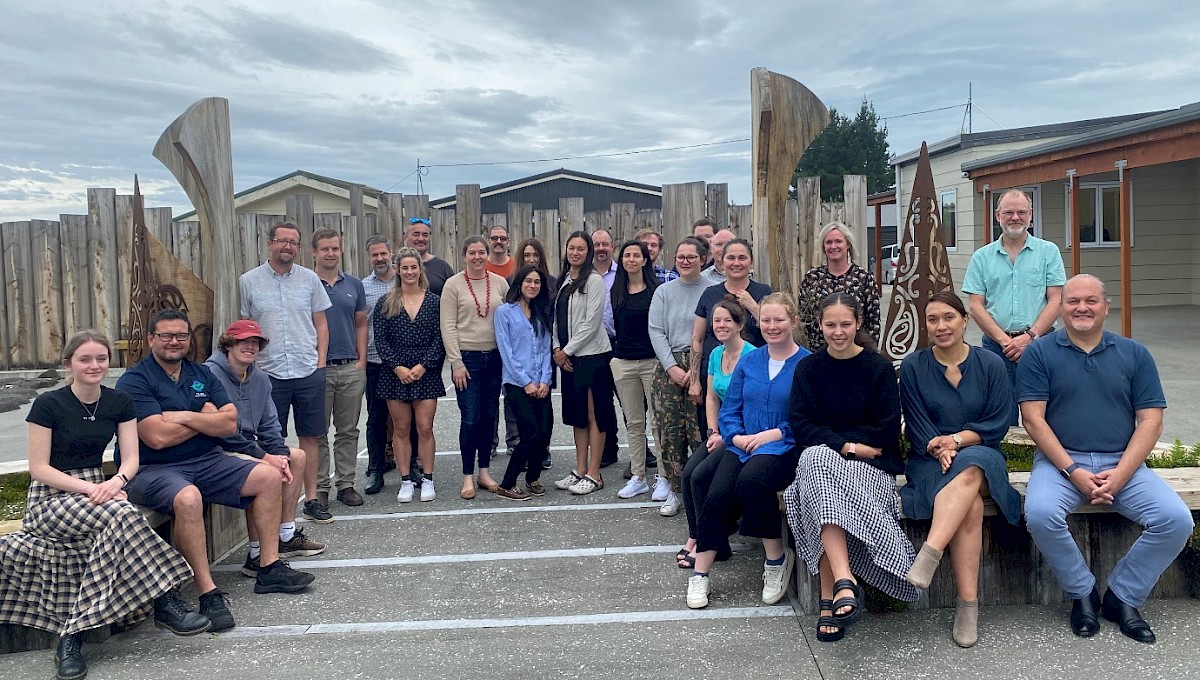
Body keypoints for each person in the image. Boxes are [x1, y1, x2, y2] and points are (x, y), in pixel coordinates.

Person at [0, 331, 210, 680]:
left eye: (101, 358)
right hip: (51, 498)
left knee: (118, 517)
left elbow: (130, 460)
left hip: (102, 492)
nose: (95, 365)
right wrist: (90, 488)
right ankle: (163, 599)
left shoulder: (119, 402)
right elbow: (39, 468)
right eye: (85, 359)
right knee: (123, 512)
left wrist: (115, 483)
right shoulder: (48, 404)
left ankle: (72, 637)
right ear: (68, 364)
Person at [1018, 274, 1192, 644]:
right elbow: (1032, 418)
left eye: (1091, 301)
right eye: (1073, 301)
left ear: (1106, 306)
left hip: (1122, 461)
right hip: (1060, 463)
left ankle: (1122, 597)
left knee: (1175, 520)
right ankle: (1083, 593)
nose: (1082, 307)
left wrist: (1122, 473)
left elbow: (1151, 420)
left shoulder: (1134, 354)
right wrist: (1073, 470)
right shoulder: (1040, 353)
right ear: (1061, 307)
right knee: (1040, 513)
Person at [116, 310, 314, 633]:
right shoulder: (134, 381)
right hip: (153, 467)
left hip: (206, 461)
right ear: (151, 339)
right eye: (166, 335)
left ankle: (268, 566)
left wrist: (180, 417)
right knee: (189, 498)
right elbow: (156, 436)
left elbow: (229, 422)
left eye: (181, 336)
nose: (174, 342)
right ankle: (207, 592)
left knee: (267, 476)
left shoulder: (199, 374)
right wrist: (202, 417)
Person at [784, 293, 917, 643]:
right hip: (839, 458)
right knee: (815, 462)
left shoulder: (878, 368)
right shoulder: (808, 369)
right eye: (831, 325)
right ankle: (844, 583)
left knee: (815, 475)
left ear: (858, 324)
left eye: (845, 324)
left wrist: (836, 441)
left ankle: (832, 596)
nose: (838, 332)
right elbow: (800, 424)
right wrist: (848, 445)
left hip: (873, 467)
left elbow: (887, 429)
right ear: (820, 326)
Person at [897, 292, 1021, 648]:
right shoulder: (914, 366)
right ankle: (968, 607)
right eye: (933, 319)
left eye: (948, 317)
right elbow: (917, 424)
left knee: (971, 466)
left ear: (965, 320)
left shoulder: (991, 365)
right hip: (928, 462)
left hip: (982, 454)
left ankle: (929, 554)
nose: (941, 326)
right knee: (973, 503)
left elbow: (998, 422)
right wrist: (938, 446)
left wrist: (955, 440)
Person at [683, 294, 811, 610]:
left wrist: (774, 433)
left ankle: (776, 560)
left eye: (779, 319)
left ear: (792, 321)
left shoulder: (807, 364)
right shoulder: (750, 361)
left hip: (784, 445)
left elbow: (811, 417)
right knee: (716, 494)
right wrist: (735, 436)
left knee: (752, 482)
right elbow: (730, 408)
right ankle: (701, 573)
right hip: (743, 444)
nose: (772, 326)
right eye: (766, 320)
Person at [205, 320, 327, 578]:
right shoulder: (210, 374)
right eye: (243, 341)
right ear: (228, 343)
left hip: (252, 445)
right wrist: (265, 457)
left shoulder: (260, 378)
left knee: (297, 456)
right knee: (262, 469)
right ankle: (256, 553)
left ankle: (286, 535)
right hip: (219, 447)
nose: (250, 346)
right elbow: (221, 432)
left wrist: (280, 456)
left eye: (255, 342)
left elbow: (270, 425)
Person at [239, 220, 333, 522]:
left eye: (293, 242)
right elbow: (245, 328)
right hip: (268, 373)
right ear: (270, 244)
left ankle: (313, 498)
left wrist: (320, 364)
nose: (287, 247)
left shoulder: (309, 280)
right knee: (271, 439)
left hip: (307, 369)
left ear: (300, 247)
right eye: (282, 241)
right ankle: (274, 498)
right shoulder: (249, 281)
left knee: (312, 436)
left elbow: (321, 324)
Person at [962, 188, 1066, 425]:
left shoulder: (1048, 252)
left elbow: (1056, 299)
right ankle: (1003, 460)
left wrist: (1029, 336)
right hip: (996, 347)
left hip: (1041, 344)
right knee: (1000, 414)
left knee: (1045, 412)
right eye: (1009, 212)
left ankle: (1048, 460)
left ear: (1031, 214)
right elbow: (976, 306)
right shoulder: (982, 257)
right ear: (998, 215)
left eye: (1021, 212)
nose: (1015, 217)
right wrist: (1005, 341)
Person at [677, 299, 756, 568]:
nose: (721, 326)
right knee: (688, 473)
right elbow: (711, 398)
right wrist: (712, 431)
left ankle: (712, 542)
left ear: (740, 325)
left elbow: (753, 405)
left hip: (743, 432)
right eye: (717, 321)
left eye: (727, 321)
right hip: (719, 430)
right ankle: (695, 536)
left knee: (701, 477)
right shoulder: (715, 355)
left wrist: (726, 435)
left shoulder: (752, 356)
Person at [375, 248, 445, 503]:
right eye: (404, 268)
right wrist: (397, 367)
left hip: (426, 371)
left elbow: (440, 338)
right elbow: (380, 340)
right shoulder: (386, 302)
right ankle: (405, 480)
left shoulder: (434, 301)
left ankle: (427, 478)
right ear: (397, 270)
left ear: (420, 269)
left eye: (413, 267)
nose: (409, 272)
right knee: (401, 429)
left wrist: (424, 365)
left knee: (425, 427)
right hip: (395, 373)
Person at [441, 236, 509, 499]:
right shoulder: (453, 285)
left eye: (482, 252)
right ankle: (467, 476)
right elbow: (448, 325)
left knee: (489, 416)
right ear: (464, 255)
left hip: (494, 358)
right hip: (467, 360)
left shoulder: (500, 283)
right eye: (472, 253)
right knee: (471, 418)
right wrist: (455, 362)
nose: (478, 257)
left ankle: (484, 471)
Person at [648, 236, 709, 516]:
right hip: (669, 366)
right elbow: (656, 331)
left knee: (700, 430)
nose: (685, 262)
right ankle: (675, 491)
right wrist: (672, 367)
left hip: (702, 363)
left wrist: (693, 371)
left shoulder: (711, 290)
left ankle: (703, 490)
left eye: (691, 257)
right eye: (681, 257)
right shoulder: (664, 292)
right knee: (670, 431)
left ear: (703, 259)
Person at [552, 231, 617, 495]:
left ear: (588, 252)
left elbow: (592, 323)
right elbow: (557, 319)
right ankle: (579, 469)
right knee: (578, 417)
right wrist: (557, 348)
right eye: (572, 248)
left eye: (581, 249)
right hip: (568, 359)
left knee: (594, 416)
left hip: (592, 357)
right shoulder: (565, 281)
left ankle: (594, 473)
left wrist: (566, 351)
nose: (575, 253)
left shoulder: (594, 281)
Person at [311, 227, 368, 507]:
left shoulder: (354, 285)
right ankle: (319, 487)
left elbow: (360, 323)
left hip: (349, 367)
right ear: (314, 252)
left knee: (347, 430)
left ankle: (346, 484)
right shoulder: (306, 283)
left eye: (335, 248)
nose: (331, 253)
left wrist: (361, 361)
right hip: (316, 368)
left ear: (341, 249)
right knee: (318, 431)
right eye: (325, 249)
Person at [692, 238, 772, 434]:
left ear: (751, 262)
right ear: (722, 261)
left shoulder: (764, 292)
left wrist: (752, 305)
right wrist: (694, 380)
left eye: (742, 258)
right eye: (731, 258)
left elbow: (775, 328)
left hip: (754, 375)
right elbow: (697, 338)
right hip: (715, 373)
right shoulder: (710, 294)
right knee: (711, 432)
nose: (736, 263)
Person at [494, 265, 555, 500]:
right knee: (529, 434)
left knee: (544, 432)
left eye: (537, 282)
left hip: (541, 383)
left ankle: (533, 478)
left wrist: (545, 381)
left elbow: (545, 349)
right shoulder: (504, 312)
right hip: (517, 383)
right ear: (519, 284)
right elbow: (506, 352)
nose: (533, 286)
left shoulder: (541, 313)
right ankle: (507, 484)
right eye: (528, 281)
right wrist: (526, 382)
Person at [610, 240, 661, 500]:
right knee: (634, 423)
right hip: (623, 362)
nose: (631, 259)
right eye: (627, 255)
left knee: (657, 422)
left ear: (644, 260)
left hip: (651, 362)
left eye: (636, 255)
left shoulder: (656, 290)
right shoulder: (615, 291)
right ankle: (638, 476)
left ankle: (663, 477)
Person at [797, 221, 881, 353]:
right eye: (828, 242)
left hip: (857, 354)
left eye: (838, 241)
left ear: (848, 244)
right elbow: (805, 320)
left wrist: (869, 355)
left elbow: (873, 323)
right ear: (823, 247)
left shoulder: (864, 278)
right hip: (820, 355)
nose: (833, 246)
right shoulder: (812, 278)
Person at [362, 234, 396, 495]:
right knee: (376, 418)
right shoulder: (363, 287)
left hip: (405, 363)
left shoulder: (406, 280)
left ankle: (413, 466)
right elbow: (360, 326)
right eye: (375, 254)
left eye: (383, 253)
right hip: (375, 360)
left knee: (409, 418)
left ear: (390, 253)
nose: (380, 258)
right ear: (369, 257)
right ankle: (375, 468)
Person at [590, 228, 622, 469]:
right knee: (603, 400)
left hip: (619, 342)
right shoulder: (582, 274)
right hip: (593, 346)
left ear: (613, 247)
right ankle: (609, 449)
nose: (601, 248)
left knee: (630, 400)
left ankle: (641, 448)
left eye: (605, 244)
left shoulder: (622, 273)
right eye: (597, 244)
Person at [405, 217, 456, 295]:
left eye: (425, 235)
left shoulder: (443, 268)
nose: (421, 239)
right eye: (416, 234)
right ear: (405, 237)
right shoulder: (394, 264)